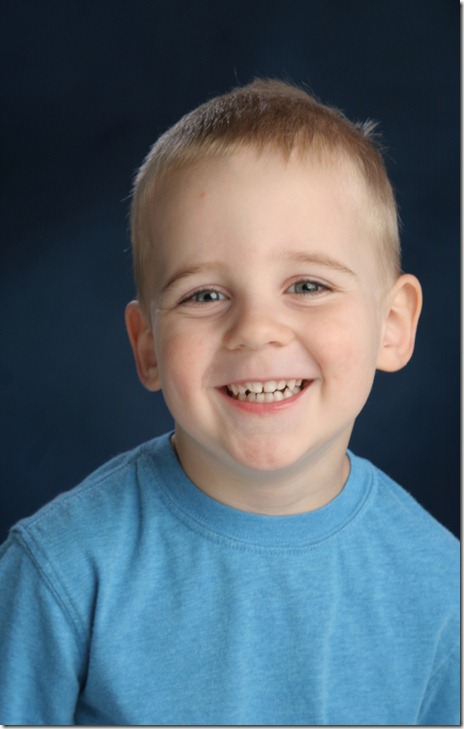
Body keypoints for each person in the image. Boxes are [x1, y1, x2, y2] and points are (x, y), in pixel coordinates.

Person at [0, 79, 459, 726]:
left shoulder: (440, 586)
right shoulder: (62, 570)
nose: (256, 330)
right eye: (205, 295)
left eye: (307, 285)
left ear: (392, 324)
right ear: (148, 346)